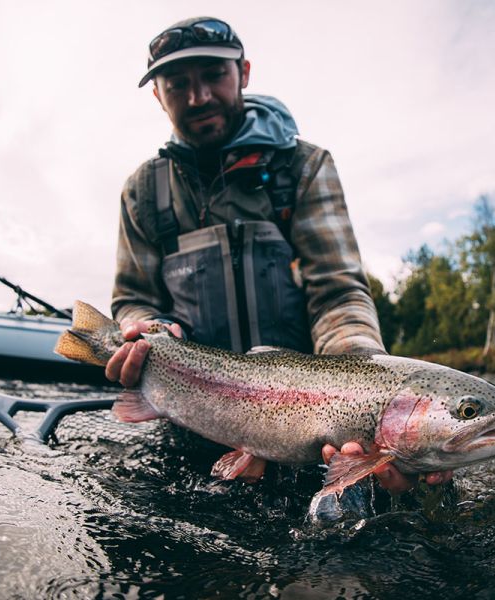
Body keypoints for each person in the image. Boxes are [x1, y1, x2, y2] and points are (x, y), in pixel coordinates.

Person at [107, 17, 452, 491]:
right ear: (157, 95)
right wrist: (144, 330)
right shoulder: (143, 191)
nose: (199, 96)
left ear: (243, 72)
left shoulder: (303, 168)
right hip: (189, 420)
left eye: (213, 75)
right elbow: (131, 298)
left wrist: (364, 394)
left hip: (305, 429)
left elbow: (337, 293)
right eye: (178, 84)